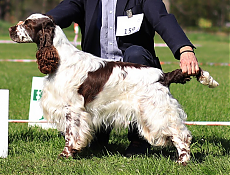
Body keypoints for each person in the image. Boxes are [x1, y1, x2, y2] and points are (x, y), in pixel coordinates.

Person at [46, 0, 199, 157]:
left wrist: (184, 49)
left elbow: (162, 18)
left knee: (136, 53)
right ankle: (97, 133)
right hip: (99, 78)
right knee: (96, 141)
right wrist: (40, 21)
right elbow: (67, 8)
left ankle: (139, 139)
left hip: (135, 70)